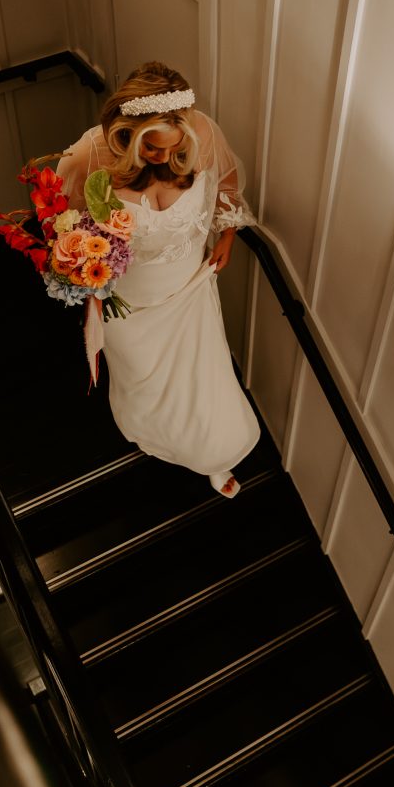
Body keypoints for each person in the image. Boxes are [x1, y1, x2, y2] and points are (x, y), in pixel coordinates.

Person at [56, 61, 260, 498]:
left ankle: (216, 456)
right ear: (127, 133)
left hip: (188, 286)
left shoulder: (201, 133)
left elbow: (225, 181)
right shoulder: (89, 155)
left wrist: (228, 235)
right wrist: (77, 258)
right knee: (144, 385)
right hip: (129, 304)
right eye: (152, 148)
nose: (164, 157)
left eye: (172, 147)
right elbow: (58, 217)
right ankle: (158, 436)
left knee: (208, 380)